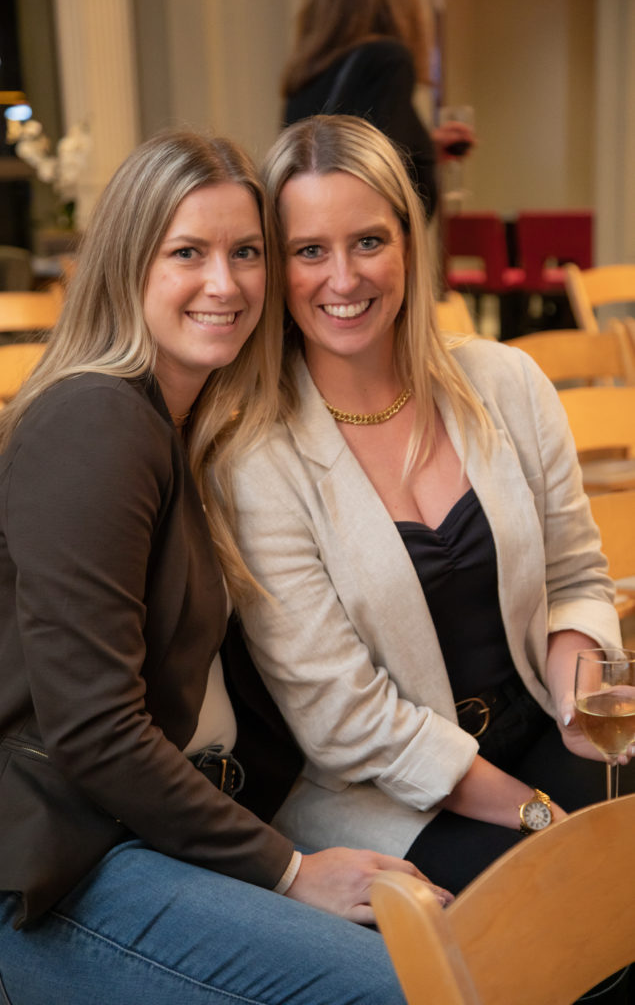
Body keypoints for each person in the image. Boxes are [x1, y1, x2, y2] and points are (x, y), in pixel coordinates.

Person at [0, 129, 451, 1005]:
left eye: (247, 252)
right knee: (398, 991)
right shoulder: (94, 425)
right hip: (59, 873)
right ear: (126, 265)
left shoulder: (184, 421)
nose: (225, 284)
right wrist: (290, 869)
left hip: (156, 831)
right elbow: (96, 731)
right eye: (188, 252)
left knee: (452, 943)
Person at [229, 114, 635, 901]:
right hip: (392, 796)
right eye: (309, 251)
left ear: (411, 244)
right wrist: (538, 813)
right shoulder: (256, 459)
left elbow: (575, 576)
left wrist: (577, 703)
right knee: (577, 902)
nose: (342, 279)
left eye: (368, 241)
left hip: (540, 727)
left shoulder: (505, 382)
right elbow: (344, 719)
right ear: (276, 271)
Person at [282, 0, 475, 220]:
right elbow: (381, 182)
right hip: (363, 246)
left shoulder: (305, 74)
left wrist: (425, 148)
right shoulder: (388, 61)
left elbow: (334, 152)